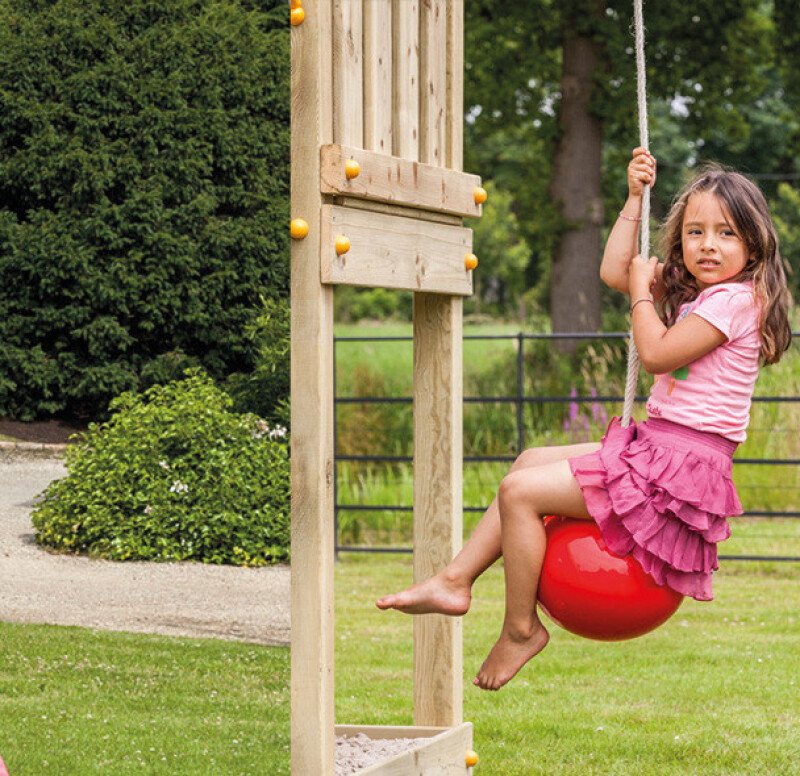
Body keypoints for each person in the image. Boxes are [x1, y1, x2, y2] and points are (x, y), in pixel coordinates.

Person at [376, 148, 794, 691]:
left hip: (680, 464)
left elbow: (658, 354)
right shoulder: (700, 295)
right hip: (659, 448)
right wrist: (633, 199)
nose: (707, 245)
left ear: (754, 245)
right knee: (527, 463)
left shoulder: (735, 302)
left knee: (521, 493)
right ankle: (456, 580)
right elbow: (614, 270)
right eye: (695, 232)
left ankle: (521, 628)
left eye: (726, 233)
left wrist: (644, 293)